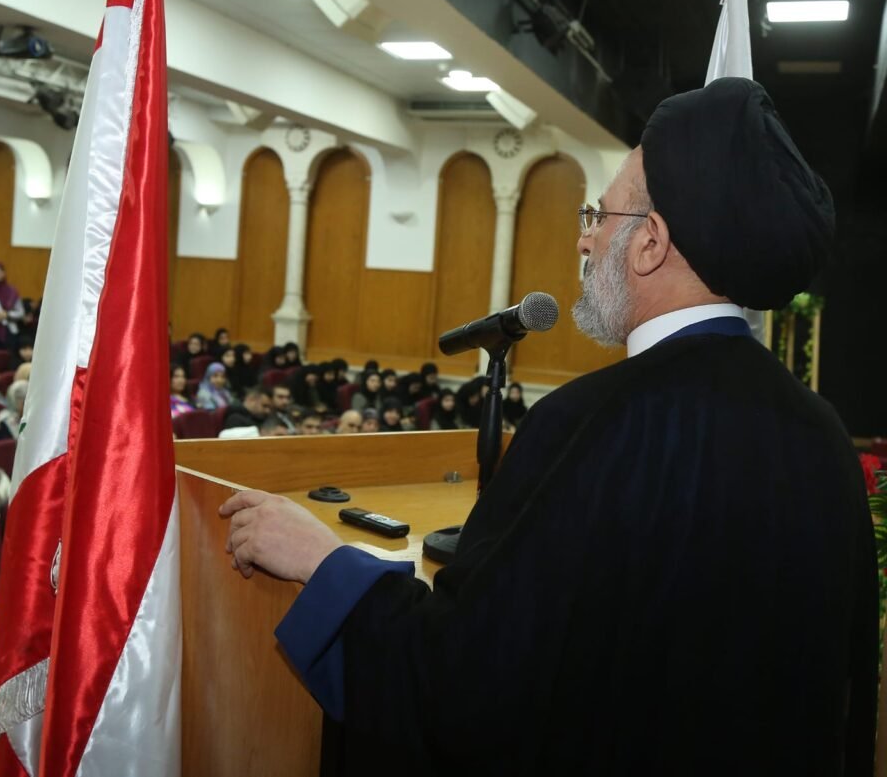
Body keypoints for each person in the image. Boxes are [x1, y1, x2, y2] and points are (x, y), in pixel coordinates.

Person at [218, 78, 876, 775]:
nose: (585, 238)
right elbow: (845, 698)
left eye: (600, 214)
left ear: (650, 243)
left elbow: (465, 681)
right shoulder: (823, 436)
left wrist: (326, 563)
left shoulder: (586, 426)